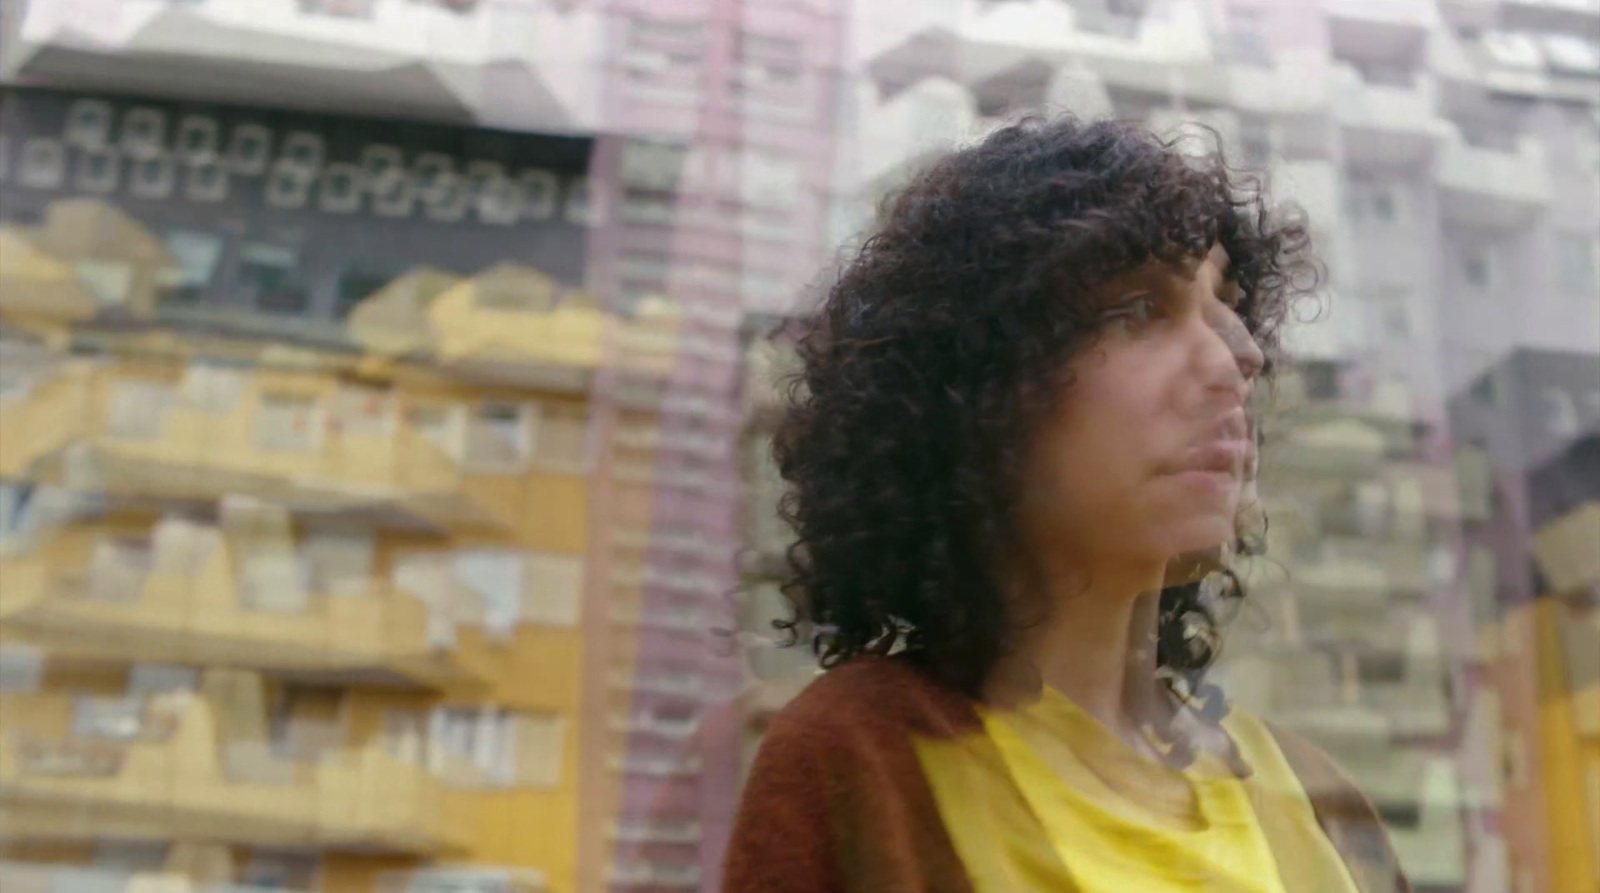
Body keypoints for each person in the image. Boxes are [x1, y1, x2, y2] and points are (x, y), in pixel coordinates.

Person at [723, 116, 1410, 893]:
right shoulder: (860, 761)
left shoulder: (1315, 800)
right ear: (978, 391)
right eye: (1139, 311)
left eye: (1228, 313)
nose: (1236, 359)